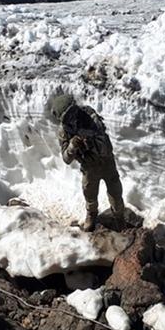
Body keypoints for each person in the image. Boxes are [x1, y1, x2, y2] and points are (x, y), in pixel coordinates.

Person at [51, 94, 125, 232]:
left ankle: (119, 217)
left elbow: (104, 144)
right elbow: (66, 159)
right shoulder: (64, 131)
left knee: (115, 192)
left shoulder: (90, 117)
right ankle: (91, 215)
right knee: (90, 195)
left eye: (73, 112)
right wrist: (73, 145)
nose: (72, 117)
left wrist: (91, 140)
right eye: (68, 115)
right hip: (89, 167)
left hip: (106, 161)